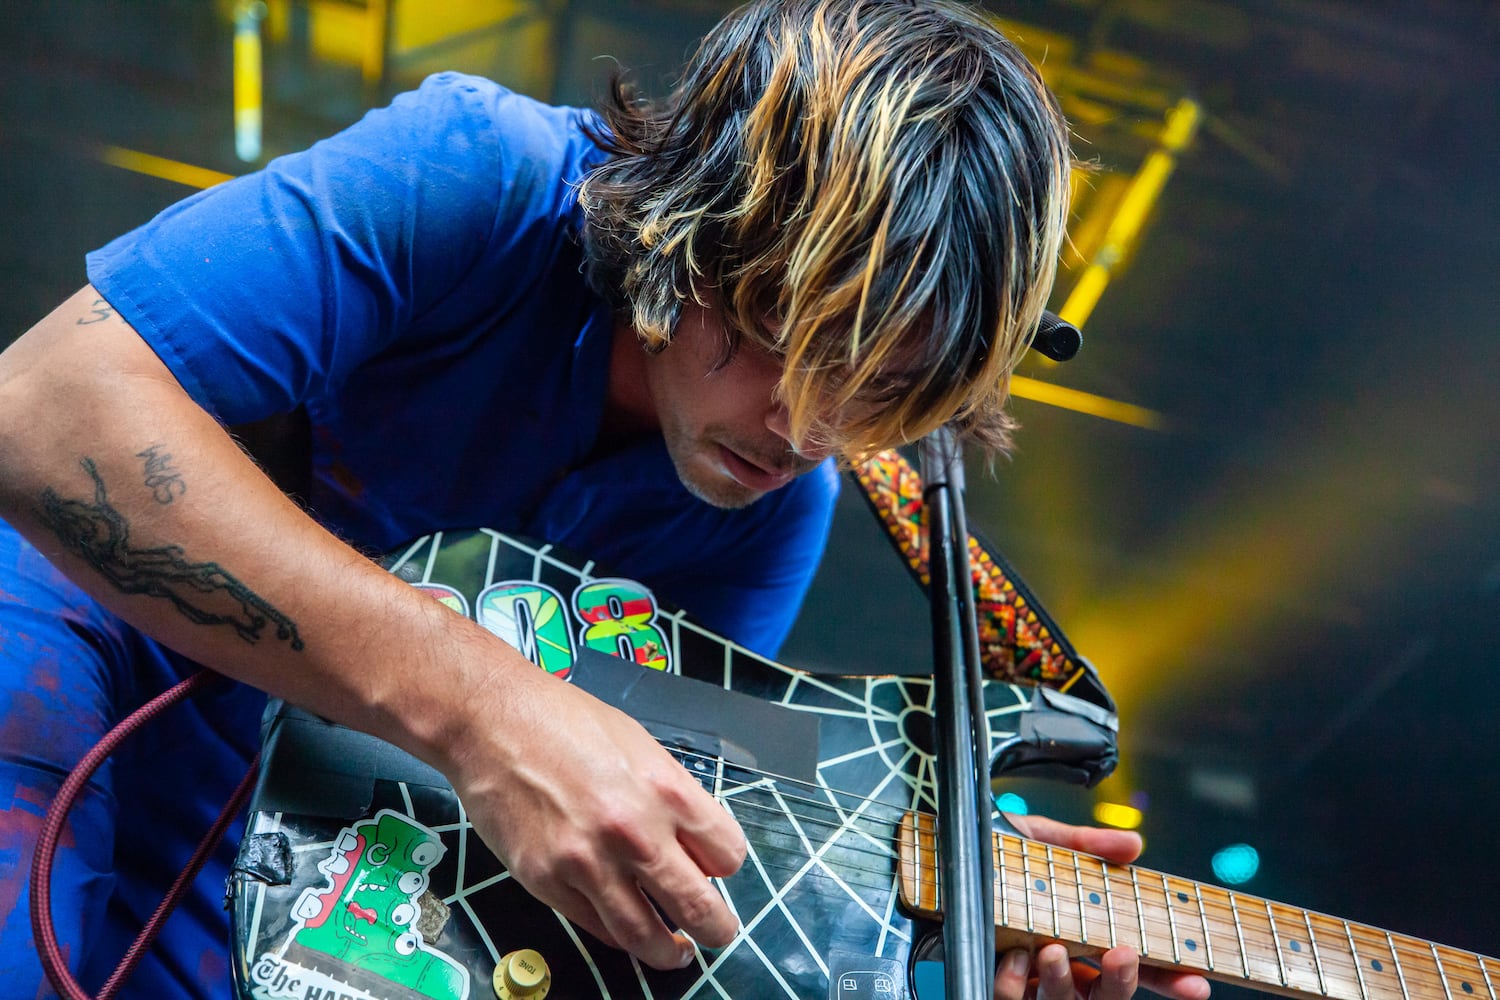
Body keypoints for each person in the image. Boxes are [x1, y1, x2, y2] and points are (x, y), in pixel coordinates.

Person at [0, 1, 1211, 998]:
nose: (806, 427)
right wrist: (485, 705)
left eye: (881, 387)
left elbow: (650, 827)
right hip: (81, 658)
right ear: (697, 222)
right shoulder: (479, 173)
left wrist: (897, 913)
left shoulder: (769, 510)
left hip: (312, 855)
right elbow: (44, 408)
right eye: (774, 331)